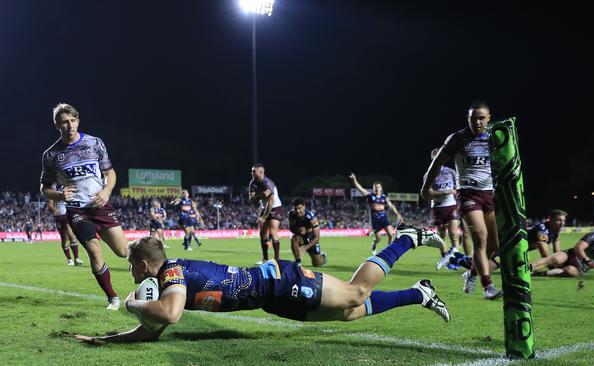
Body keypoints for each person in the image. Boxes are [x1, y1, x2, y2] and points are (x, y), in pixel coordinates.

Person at [74, 224, 449, 344]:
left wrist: (132, 303)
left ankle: (407, 238)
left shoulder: (171, 273)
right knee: (349, 314)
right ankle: (420, 292)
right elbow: (151, 330)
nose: (133, 277)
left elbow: (168, 315)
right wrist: (104, 341)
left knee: (355, 293)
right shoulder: (165, 278)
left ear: (143, 265)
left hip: (279, 282)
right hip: (270, 299)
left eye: (132, 269)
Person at [40, 103, 128, 310]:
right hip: (77, 211)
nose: (69, 125)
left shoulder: (94, 143)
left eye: (73, 120)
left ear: (77, 121)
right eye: (64, 122)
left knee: (123, 252)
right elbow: (44, 188)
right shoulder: (51, 155)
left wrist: (106, 192)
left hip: (100, 206)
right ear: (56, 125)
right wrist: (60, 195)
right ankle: (113, 298)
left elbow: (110, 173)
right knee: (94, 251)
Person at [421, 100, 502, 300]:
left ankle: (471, 273)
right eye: (473, 118)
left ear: (488, 118)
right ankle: (488, 287)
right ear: (468, 118)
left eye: (482, 118)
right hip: (468, 194)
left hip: (490, 194)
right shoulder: (458, 139)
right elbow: (437, 162)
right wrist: (426, 187)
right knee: (480, 238)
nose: (478, 122)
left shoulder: (495, 138)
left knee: (494, 246)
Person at [422, 148, 464, 270]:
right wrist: (445, 192)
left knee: (453, 234)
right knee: (441, 237)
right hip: (437, 208)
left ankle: (456, 259)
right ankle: (445, 258)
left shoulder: (450, 172)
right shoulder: (428, 175)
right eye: (435, 157)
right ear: (432, 159)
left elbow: (458, 187)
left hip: (451, 206)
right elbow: (427, 193)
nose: (438, 159)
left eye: (440, 156)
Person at [349, 173, 404, 255]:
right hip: (375, 221)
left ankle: (389, 252)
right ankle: (374, 244)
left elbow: (391, 206)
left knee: (391, 235)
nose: (377, 189)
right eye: (375, 187)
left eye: (378, 187)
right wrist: (354, 180)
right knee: (378, 239)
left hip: (384, 219)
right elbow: (360, 189)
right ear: (373, 189)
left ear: (381, 188)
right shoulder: (370, 196)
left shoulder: (384, 197)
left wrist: (398, 214)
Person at [249, 163, 284, 263]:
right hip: (265, 207)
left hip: (275, 207)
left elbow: (271, 201)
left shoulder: (268, 183)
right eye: (252, 171)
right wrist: (261, 196)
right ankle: (265, 258)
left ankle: (277, 259)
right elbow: (251, 198)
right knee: (262, 234)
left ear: (261, 172)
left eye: (253, 171)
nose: (251, 173)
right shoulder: (253, 183)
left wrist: (264, 217)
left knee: (273, 232)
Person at [288, 197, 327, 267]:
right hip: (301, 238)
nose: (297, 211)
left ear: (304, 207)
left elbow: (317, 238)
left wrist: (305, 248)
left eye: (299, 208)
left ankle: (323, 257)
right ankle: (298, 262)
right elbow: (291, 228)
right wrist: (298, 231)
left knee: (317, 264)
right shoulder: (291, 214)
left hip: (311, 239)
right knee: (294, 239)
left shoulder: (312, 218)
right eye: (295, 209)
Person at [47, 193, 82, 266]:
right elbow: (50, 205)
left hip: (68, 215)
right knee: (64, 238)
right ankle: (69, 259)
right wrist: (54, 209)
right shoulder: (52, 191)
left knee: (71, 236)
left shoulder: (67, 189)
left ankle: (77, 258)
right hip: (59, 217)